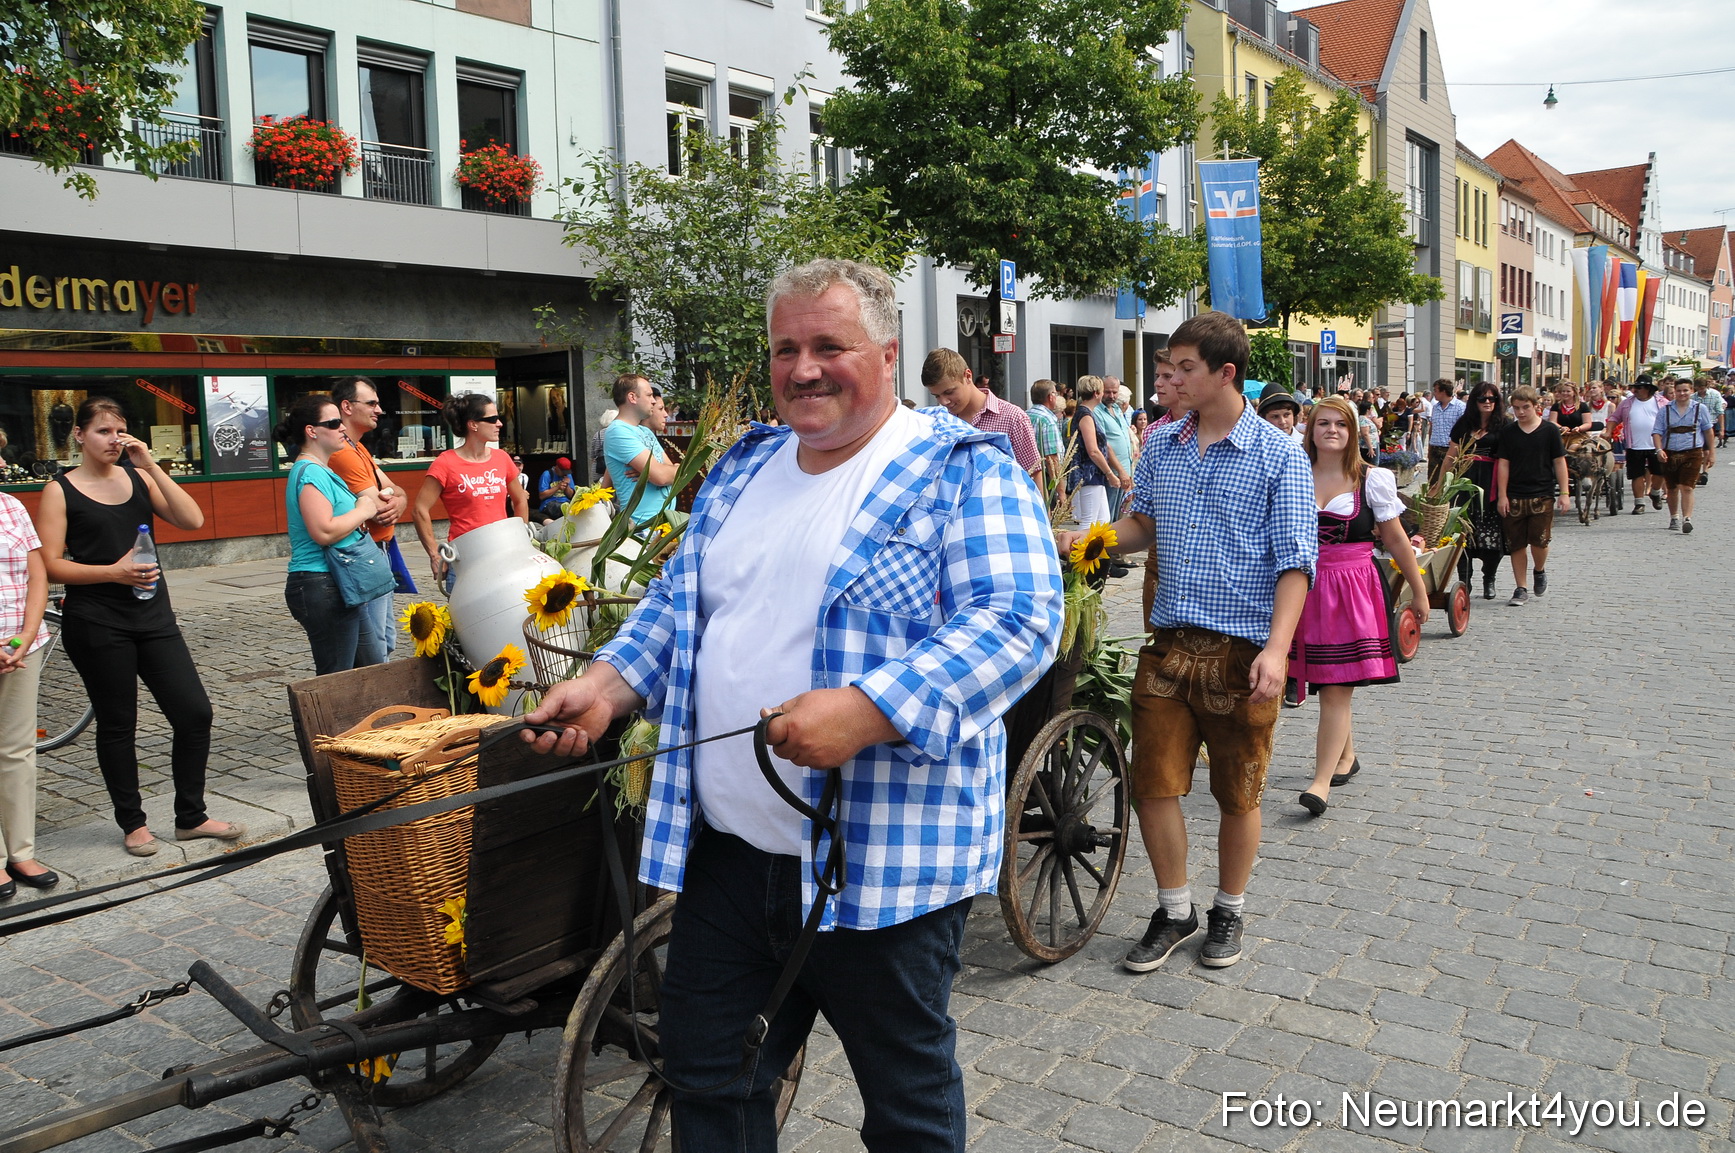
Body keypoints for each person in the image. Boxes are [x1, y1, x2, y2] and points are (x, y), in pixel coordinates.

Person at [522, 258, 1062, 1152]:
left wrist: (869, 707)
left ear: (886, 354)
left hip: (879, 865)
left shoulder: (961, 469)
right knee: (707, 1082)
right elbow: (677, 606)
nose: (802, 367)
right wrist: (608, 685)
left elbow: (1017, 621)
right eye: (785, 347)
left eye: (828, 345)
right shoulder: (743, 467)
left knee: (906, 1107)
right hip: (730, 858)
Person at [1059, 312, 1316, 973]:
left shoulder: (1279, 455)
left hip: (1240, 653)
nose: (1167, 378)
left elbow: (1295, 560)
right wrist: (1085, 542)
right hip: (1168, 645)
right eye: (1167, 367)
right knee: (1154, 783)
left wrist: (1277, 649)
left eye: (1182, 368)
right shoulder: (1163, 444)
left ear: (1224, 374)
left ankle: (1228, 906)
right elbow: (1141, 524)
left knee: (1239, 791)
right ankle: (1174, 908)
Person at [36, 397, 242, 857]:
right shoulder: (60, 490)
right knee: (118, 724)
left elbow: (193, 519)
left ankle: (191, 816)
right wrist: (114, 571)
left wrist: (150, 464)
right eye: (103, 432)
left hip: (154, 616)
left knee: (194, 713)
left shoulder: (138, 476)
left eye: (120, 430)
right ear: (80, 436)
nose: (114, 440)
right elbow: (50, 566)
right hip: (96, 621)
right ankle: (133, 824)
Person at [1290, 397, 1426, 815]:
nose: (1332, 430)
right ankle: (1346, 756)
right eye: (1323, 423)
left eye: (1341, 425)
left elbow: (1397, 540)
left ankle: (1319, 782)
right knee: (1329, 678)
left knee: (1334, 688)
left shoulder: (1371, 480)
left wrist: (1419, 591)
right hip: (1305, 588)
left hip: (1353, 588)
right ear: (1310, 430)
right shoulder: (1294, 475)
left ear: (1353, 433)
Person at [279, 395, 384, 675]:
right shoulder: (310, 472)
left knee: (373, 669)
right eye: (334, 422)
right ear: (311, 431)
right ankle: (322, 720)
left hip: (340, 581)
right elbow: (323, 531)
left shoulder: (322, 470)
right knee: (336, 678)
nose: (342, 428)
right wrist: (363, 510)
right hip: (320, 582)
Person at [412, 392, 530, 589]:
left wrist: (521, 540)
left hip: (502, 554)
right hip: (464, 558)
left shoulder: (502, 458)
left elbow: (520, 500)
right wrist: (434, 554)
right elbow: (419, 510)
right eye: (492, 419)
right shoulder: (446, 463)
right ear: (473, 424)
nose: (499, 423)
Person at [0, 489, 54, 897]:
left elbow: (38, 574)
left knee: (18, 750)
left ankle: (20, 852)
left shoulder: (11, 505)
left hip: (22, 646)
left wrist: (26, 635)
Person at [327, 378, 403, 664]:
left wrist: (395, 500)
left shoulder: (358, 448)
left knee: (384, 639)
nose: (379, 410)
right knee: (374, 646)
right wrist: (391, 501)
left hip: (378, 551)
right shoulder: (345, 452)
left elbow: (398, 492)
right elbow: (380, 504)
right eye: (371, 403)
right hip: (362, 555)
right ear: (347, 407)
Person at [1496, 386, 1569, 607]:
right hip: (1515, 494)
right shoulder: (1508, 432)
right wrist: (1502, 496)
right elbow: (1503, 464)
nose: (1520, 412)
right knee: (1516, 544)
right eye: (1516, 408)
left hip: (1542, 493)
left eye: (1525, 407)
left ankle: (1539, 570)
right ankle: (1521, 587)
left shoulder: (1549, 431)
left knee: (1540, 541)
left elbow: (1559, 461)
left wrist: (1564, 493)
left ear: (1536, 406)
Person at [920, 349, 1041, 478]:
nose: (943, 401)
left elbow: (1033, 473)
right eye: (936, 396)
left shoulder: (1013, 417)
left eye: (949, 392)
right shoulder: (939, 421)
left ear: (967, 376)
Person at [1446, 383, 1510, 599]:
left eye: (1492, 399)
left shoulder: (1503, 425)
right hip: (1464, 483)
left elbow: (1506, 460)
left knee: (1492, 535)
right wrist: (1439, 483)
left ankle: (1489, 577)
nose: (1487, 402)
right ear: (1474, 401)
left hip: (1491, 482)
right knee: (1461, 534)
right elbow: (1450, 456)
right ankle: (1465, 578)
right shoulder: (1464, 424)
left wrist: (1503, 494)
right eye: (1482, 399)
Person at [602, 374, 676, 524]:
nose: (653, 400)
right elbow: (661, 476)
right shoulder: (618, 431)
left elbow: (675, 473)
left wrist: (654, 472)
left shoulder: (645, 431)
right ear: (632, 397)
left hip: (664, 525)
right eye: (649, 395)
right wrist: (659, 471)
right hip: (643, 529)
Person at [1653, 377, 1715, 533]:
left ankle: (1687, 518)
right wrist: (1659, 450)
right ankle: (1674, 517)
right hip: (1670, 452)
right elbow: (1657, 432)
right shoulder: (1665, 410)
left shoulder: (1700, 409)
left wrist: (1711, 453)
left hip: (1692, 452)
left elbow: (1708, 431)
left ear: (1691, 391)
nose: (1682, 393)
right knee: (1672, 487)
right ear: (1674, 391)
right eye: (1679, 390)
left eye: (1685, 390)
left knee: (1687, 487)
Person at [1067, 376, 1126, 528]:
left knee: (1102, 521)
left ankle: (1096, 551)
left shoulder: (1086, 413)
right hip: (1089, 473)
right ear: (1096, 393)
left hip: (1093, 474)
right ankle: (1082, 551)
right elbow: (1093, 450)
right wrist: (1110, 473)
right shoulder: (1085, 415)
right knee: (1089, 521)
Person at [1613, 376, 1666, 514]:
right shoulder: (1627, 403)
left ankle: (1655, 492)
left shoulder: (1661, 402)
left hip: (1656, 445)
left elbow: (1671, 418)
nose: (1634, 390)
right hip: (1634, 444)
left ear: (1647, 389)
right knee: (1636, 475)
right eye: (1634, 387)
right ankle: (1639, 503)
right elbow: (1615, 417)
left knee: (1660, 472)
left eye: (1638, 387)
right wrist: (1608, 430)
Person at [1095, 377, 1136, 518]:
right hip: (1111, 473)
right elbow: (1105, 444)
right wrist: (1120, 471)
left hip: (1123, 473)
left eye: (1114, 392)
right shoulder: (1097, 412)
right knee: (1108, 518)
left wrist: (1128, 474)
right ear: (1100, 391)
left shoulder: (1117, 409)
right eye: (1107, 392)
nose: (1111, 396)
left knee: (1119, 518)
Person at [1026, 379, 1064, 491]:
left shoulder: (1024, 415)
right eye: (1055, 393)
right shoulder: (1047, 420)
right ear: (1050, 396)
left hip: (1027, 478)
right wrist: (1060, 493)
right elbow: (1052, 460)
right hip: (1046, 481)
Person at [1425, 378, 1466, 482]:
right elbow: (1432, 428)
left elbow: (1465, 429)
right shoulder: (1435, 407)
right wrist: (1429, 449)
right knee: (1433, 481)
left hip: (1450, 450)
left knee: (1449, 482)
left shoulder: (1460, 407)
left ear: (1443, 391)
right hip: (1435, 449)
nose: (1434, 393)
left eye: (1435, 390)